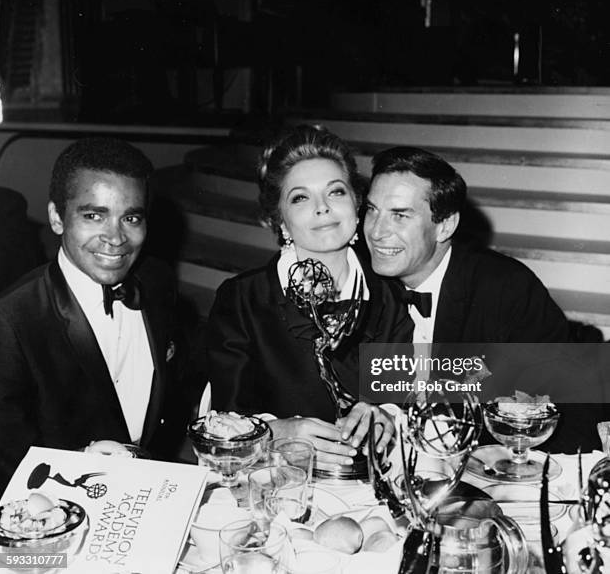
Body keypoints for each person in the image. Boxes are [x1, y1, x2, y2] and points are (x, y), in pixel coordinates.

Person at [363, 146, 608, 452]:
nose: (376, 231)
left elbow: (566, 404)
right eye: (372, 210)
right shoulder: (359, 283)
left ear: (445, 225)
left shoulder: (506, 288)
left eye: (399, 215)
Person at [207, 126, 413, 469]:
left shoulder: (388, 294)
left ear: (357, 205)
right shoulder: (243, 300)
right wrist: (278, 432)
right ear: (280, 221)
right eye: (300, 197)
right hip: (275, 479)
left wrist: (386, 415)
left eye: (336, 192)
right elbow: (227, 419)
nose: (323, 208)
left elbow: (400, 395)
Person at [0, 137, 185, 495]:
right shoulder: (11, 320)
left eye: (131, 218)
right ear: (56, 218)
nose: (116, 238)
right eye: (94, 215)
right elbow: (7, 464)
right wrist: (82, 460)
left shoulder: (156, 280)